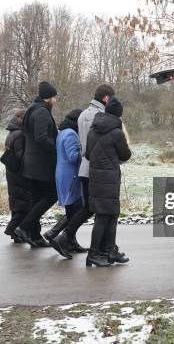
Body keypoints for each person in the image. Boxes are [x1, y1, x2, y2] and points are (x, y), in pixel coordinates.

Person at [50, 85, 115, 254]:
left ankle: (67, 238)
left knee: (88, 207)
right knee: (94, 208)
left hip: (84, 169)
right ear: (106, 98)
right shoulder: (101, 116)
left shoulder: (83, 115)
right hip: (96, 167)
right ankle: (68, 237)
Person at [85, 97, 132, 267]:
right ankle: (94, 253)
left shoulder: (93, 129)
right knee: (105, 217)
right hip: (109, 179)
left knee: (109, 215)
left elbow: (88, 154)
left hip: (96, 178)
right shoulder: (116, 133)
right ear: (119, 114)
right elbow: (126, 155)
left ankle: (109, 251)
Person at [13, 81, 59, 248]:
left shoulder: (33, 109)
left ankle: (34, 236)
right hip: (41, 166)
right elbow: (41, 137)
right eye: (54, 97)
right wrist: (57, 150)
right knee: (51, 195)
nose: (56, 100)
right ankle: (24, 228)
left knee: (36, 199)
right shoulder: (42, 112)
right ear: (49, 98)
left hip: (31, 165)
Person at [48, 109, 88, 259]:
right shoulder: (71, 134)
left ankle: (71, 242)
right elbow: (73, 157)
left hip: (64, 174)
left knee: (72, 210)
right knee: (75, 210)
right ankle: (64, 241)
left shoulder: (63, 132)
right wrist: (84, 149)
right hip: (69, 176)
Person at [3, 109, 37, 243]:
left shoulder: (12, 132)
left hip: (12, 173)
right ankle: (11, 229)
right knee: (24, 206)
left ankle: (15, 234)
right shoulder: (20, 134)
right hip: (19, 174)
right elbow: (20, 156)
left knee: (17, 204)